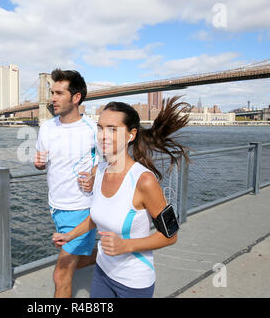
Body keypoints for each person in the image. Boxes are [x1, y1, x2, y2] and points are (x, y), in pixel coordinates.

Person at [53, 96, 190, 298]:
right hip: (102, 273)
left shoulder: (144, 181)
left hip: (133, 283)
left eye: (112, 129)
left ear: (131, 135)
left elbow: (171, 236)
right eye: (100, 128)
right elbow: (97, 216)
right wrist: (70, 235)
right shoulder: (98, 170)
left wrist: (126, 245)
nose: (103, 136)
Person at [34, 69, 98, 298]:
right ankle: (104, 255)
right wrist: (39, 164)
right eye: (52, 92)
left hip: (82, 208)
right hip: (56, 206)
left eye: (59, 93)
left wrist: (93, 174)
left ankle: (101, 255)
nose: (52, 98)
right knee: (79, 259)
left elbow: (110, 163)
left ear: (76, 97)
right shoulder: (47, 128)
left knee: (61, 273)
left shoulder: (93, 130)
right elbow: (41, 163)